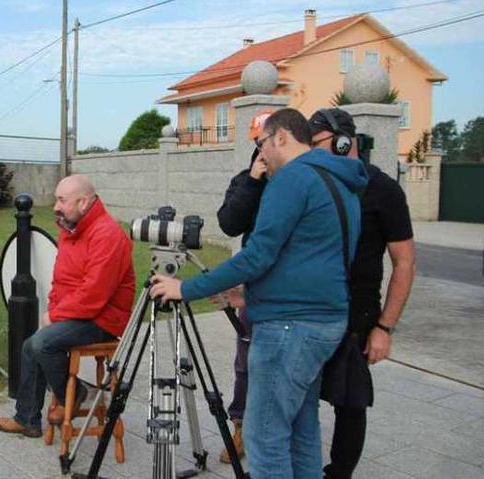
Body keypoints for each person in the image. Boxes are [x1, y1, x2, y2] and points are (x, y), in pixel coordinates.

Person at [150, 108, 368, 478]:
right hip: (324, 322)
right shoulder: (339, 182)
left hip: (289, 329)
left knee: (264, 436)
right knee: (301, 429)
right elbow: (315, 256)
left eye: (262, 143)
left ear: (281, 137)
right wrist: (252, 292)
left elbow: (258, 254)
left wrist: (185, 288)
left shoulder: (292, 179)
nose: (260, 154)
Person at [308, 108, 415, 479]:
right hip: (311, 311)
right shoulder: (316, 184)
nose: (312, 153)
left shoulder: (383, 189)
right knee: (300, 399)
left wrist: (385, 327)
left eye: (317, 144)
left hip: (358, 316)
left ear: (343, 142)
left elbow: (404, 261)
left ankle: (339, 473)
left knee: (349, 404)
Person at [0, 174, 135, 438]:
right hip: (81, 314)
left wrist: (56, 315)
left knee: (40, 344)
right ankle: (27, 419)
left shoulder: (107, 235)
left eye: (61, 200)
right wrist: (55, 312)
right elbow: (62, 282)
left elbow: (94, 295)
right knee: (31, 345)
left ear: (83, 202)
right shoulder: (72, 228)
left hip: (103, 319)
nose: (56, 206)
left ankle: (76, 394)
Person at [212, 108, 273, 463]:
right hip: (255, 283)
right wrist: (253, 179)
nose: (262, 148)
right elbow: (229, 223)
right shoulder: (247, 179)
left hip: (289, 287)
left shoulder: (297, 180)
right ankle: (240, 429)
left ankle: (275, 430)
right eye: (257, 142)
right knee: (246, 359)